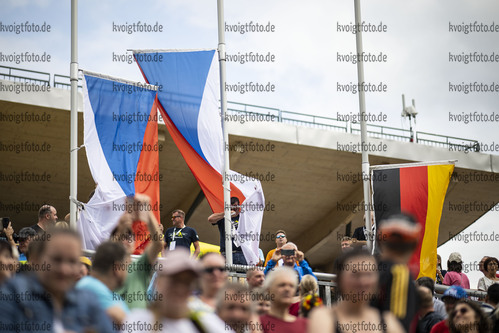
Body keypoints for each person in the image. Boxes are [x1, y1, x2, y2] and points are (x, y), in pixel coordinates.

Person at [0, 228, 113, 331]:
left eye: (72, 261)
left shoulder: (89, 302)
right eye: (56, 260)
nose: (64, 269)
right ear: (35, 260)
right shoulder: (12, 295)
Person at [123, 248, 226, 333]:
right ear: (158, 282)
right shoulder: (136, 321)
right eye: (174, 280)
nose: (180, 289)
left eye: (187, 282)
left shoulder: (206, 324)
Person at [308, 249, 403, 333]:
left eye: (369, 274)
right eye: (355, 275)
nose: (363, 282)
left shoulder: (388, 321)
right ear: (340, 279)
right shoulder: (323, 317)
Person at [110, 194, 164, 310]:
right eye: (122, 236)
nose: (127, 240)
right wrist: (123, 224)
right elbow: (109, 250)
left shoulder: (140, 265)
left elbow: (158, 243)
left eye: (130, 236)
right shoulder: (107, 266)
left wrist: (148, 213)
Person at [371, 213, 421, 333]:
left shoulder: (364, 271)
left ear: (379, 240)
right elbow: (397, 325)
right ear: (415, 244)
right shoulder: (399, 274)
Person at [76, 241, 129, 325]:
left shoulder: (112, 295)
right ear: (117, 268)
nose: (127, 273)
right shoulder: (87, 286)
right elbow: (123, 321)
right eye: (127, 267)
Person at [260, 266, 308, 333]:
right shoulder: (258, 323)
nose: (287, 289)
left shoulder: (306, 325)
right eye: (282, 285)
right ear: (268, 290)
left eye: (291, 286)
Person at [208, 196, 247, 265]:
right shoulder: (223, 217)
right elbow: (210, 219)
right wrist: (226, 213)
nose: (234, 208)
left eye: (235, 206)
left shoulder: (243, 218)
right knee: (226, 275)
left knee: (243, 275)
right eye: (231, 206)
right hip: (226, 253)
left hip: (242, 253)